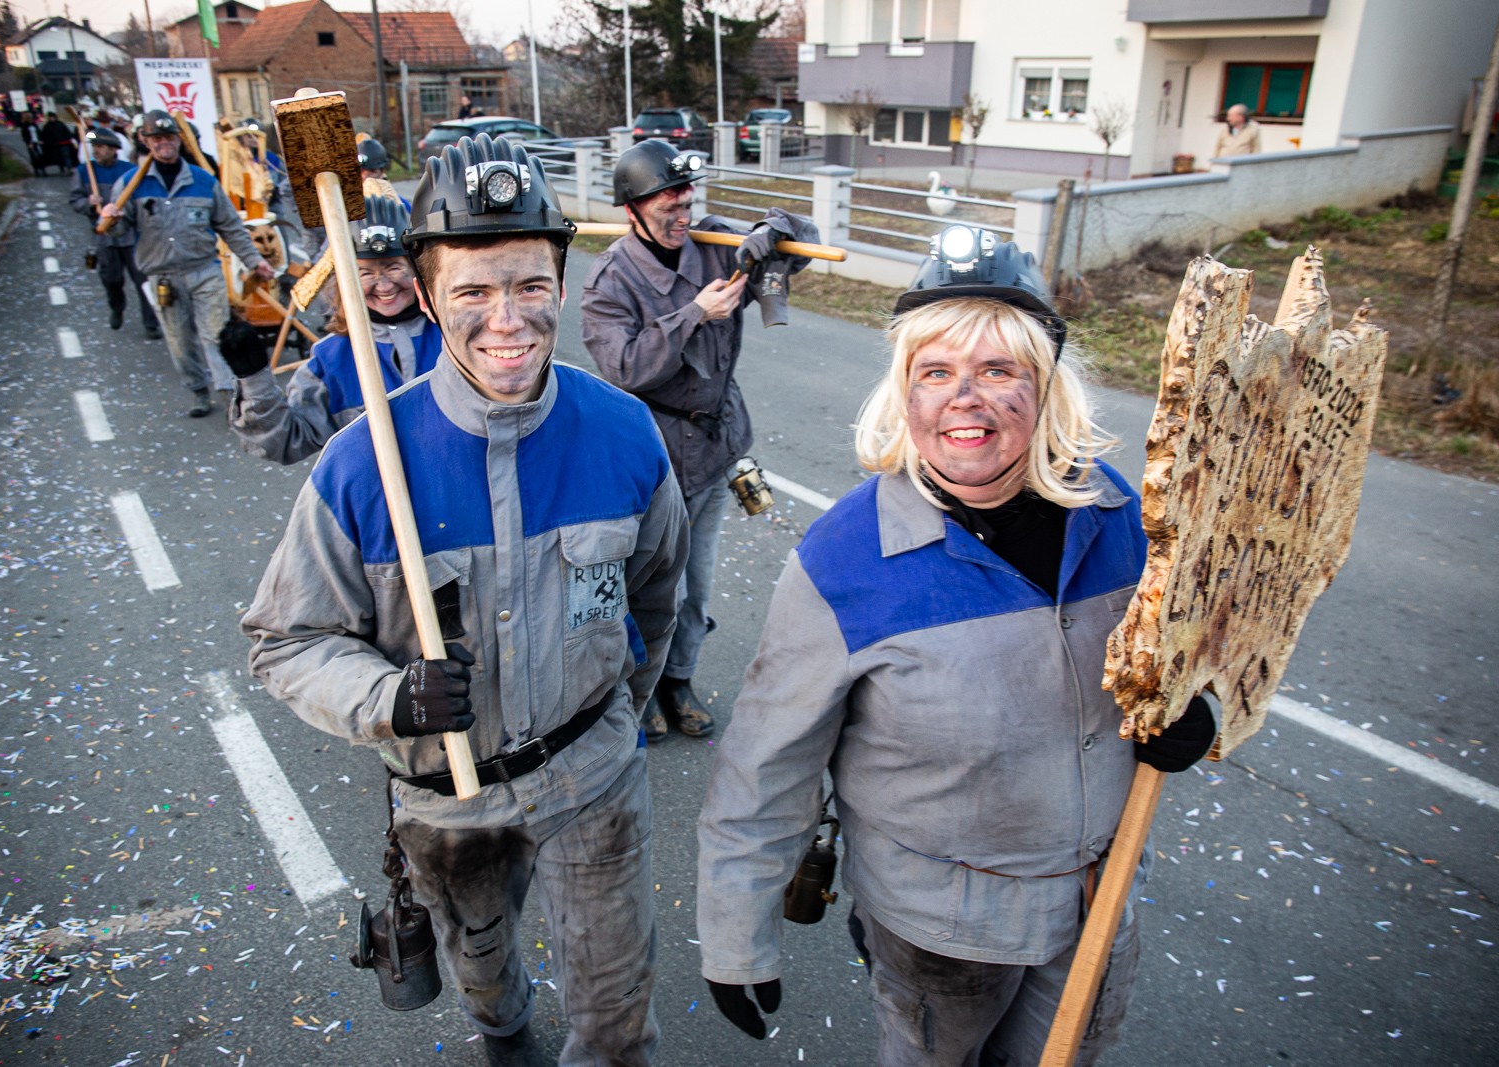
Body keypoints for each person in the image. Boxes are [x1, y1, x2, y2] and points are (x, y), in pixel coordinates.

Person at [694, 225, 1218, 1065]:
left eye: (998, 370)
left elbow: (1189, 653)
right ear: (904, 393)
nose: (962, 398)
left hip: (1096, 901)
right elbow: (767, 765)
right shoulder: (845, 559)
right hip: (937, 933)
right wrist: (735, 938)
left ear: (1045, 387)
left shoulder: (1124, 515)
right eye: (935, 371)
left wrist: (1195, 710)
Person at [242, 134, 686, 1067]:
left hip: (593, 779)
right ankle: (505, 1032)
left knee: (616, 1016)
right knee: (487, 985)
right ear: (432, 292)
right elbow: (285, 641)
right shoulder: (365, 463)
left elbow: (654, 601)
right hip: (449, 802)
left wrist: (611, 724)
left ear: (562, 283)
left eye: (529, 285)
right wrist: (385, 700)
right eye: (473, 292)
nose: (507, 320)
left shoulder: (625, 434)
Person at [580, 139, 819, 742]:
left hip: (716, 448)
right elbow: (625, 367)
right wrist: (694, 316)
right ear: (633, 208)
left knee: (699, 584)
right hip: (654, 461)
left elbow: (800, 246)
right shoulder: (609, 280)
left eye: (687, 196)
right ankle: (642, 685)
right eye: (668, 200)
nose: (683, 209)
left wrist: (774, 229)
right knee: (655, 585)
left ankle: (678, 680)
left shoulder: (713, 245)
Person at [223, 195, 441, 464]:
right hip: (375, 502)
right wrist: (255, 381)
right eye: (366, 273)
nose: (384, 285)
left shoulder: (454, 337)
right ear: (346, 279)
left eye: (393, 267)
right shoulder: (332, 358)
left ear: (419, 270)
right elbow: (288, 440)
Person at [99, 110, 274, 417]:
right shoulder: (131, 184)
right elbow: (121, 229)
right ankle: (197, 390)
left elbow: (230, 226)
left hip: (204, 271)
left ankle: (229, 395)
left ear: (179, 140)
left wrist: (254, 260)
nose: (164, 143)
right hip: (163, 277)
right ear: (146, 141)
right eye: (157, 138)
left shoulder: (203, 181)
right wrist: (110, 220)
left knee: (215, 336)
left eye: (169, 137)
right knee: (180, 341)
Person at [69, 126, 161, 339]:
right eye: (94, 147)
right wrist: (89, 203)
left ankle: (150, 323)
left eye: (101, 147)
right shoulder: (85, 171)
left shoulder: (129, 171)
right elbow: (74, 200)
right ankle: (117, 307)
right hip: (103, 237)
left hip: (131, 235)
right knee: (112, 278)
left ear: (113, 149)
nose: (96, 151)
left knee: (143, 279)